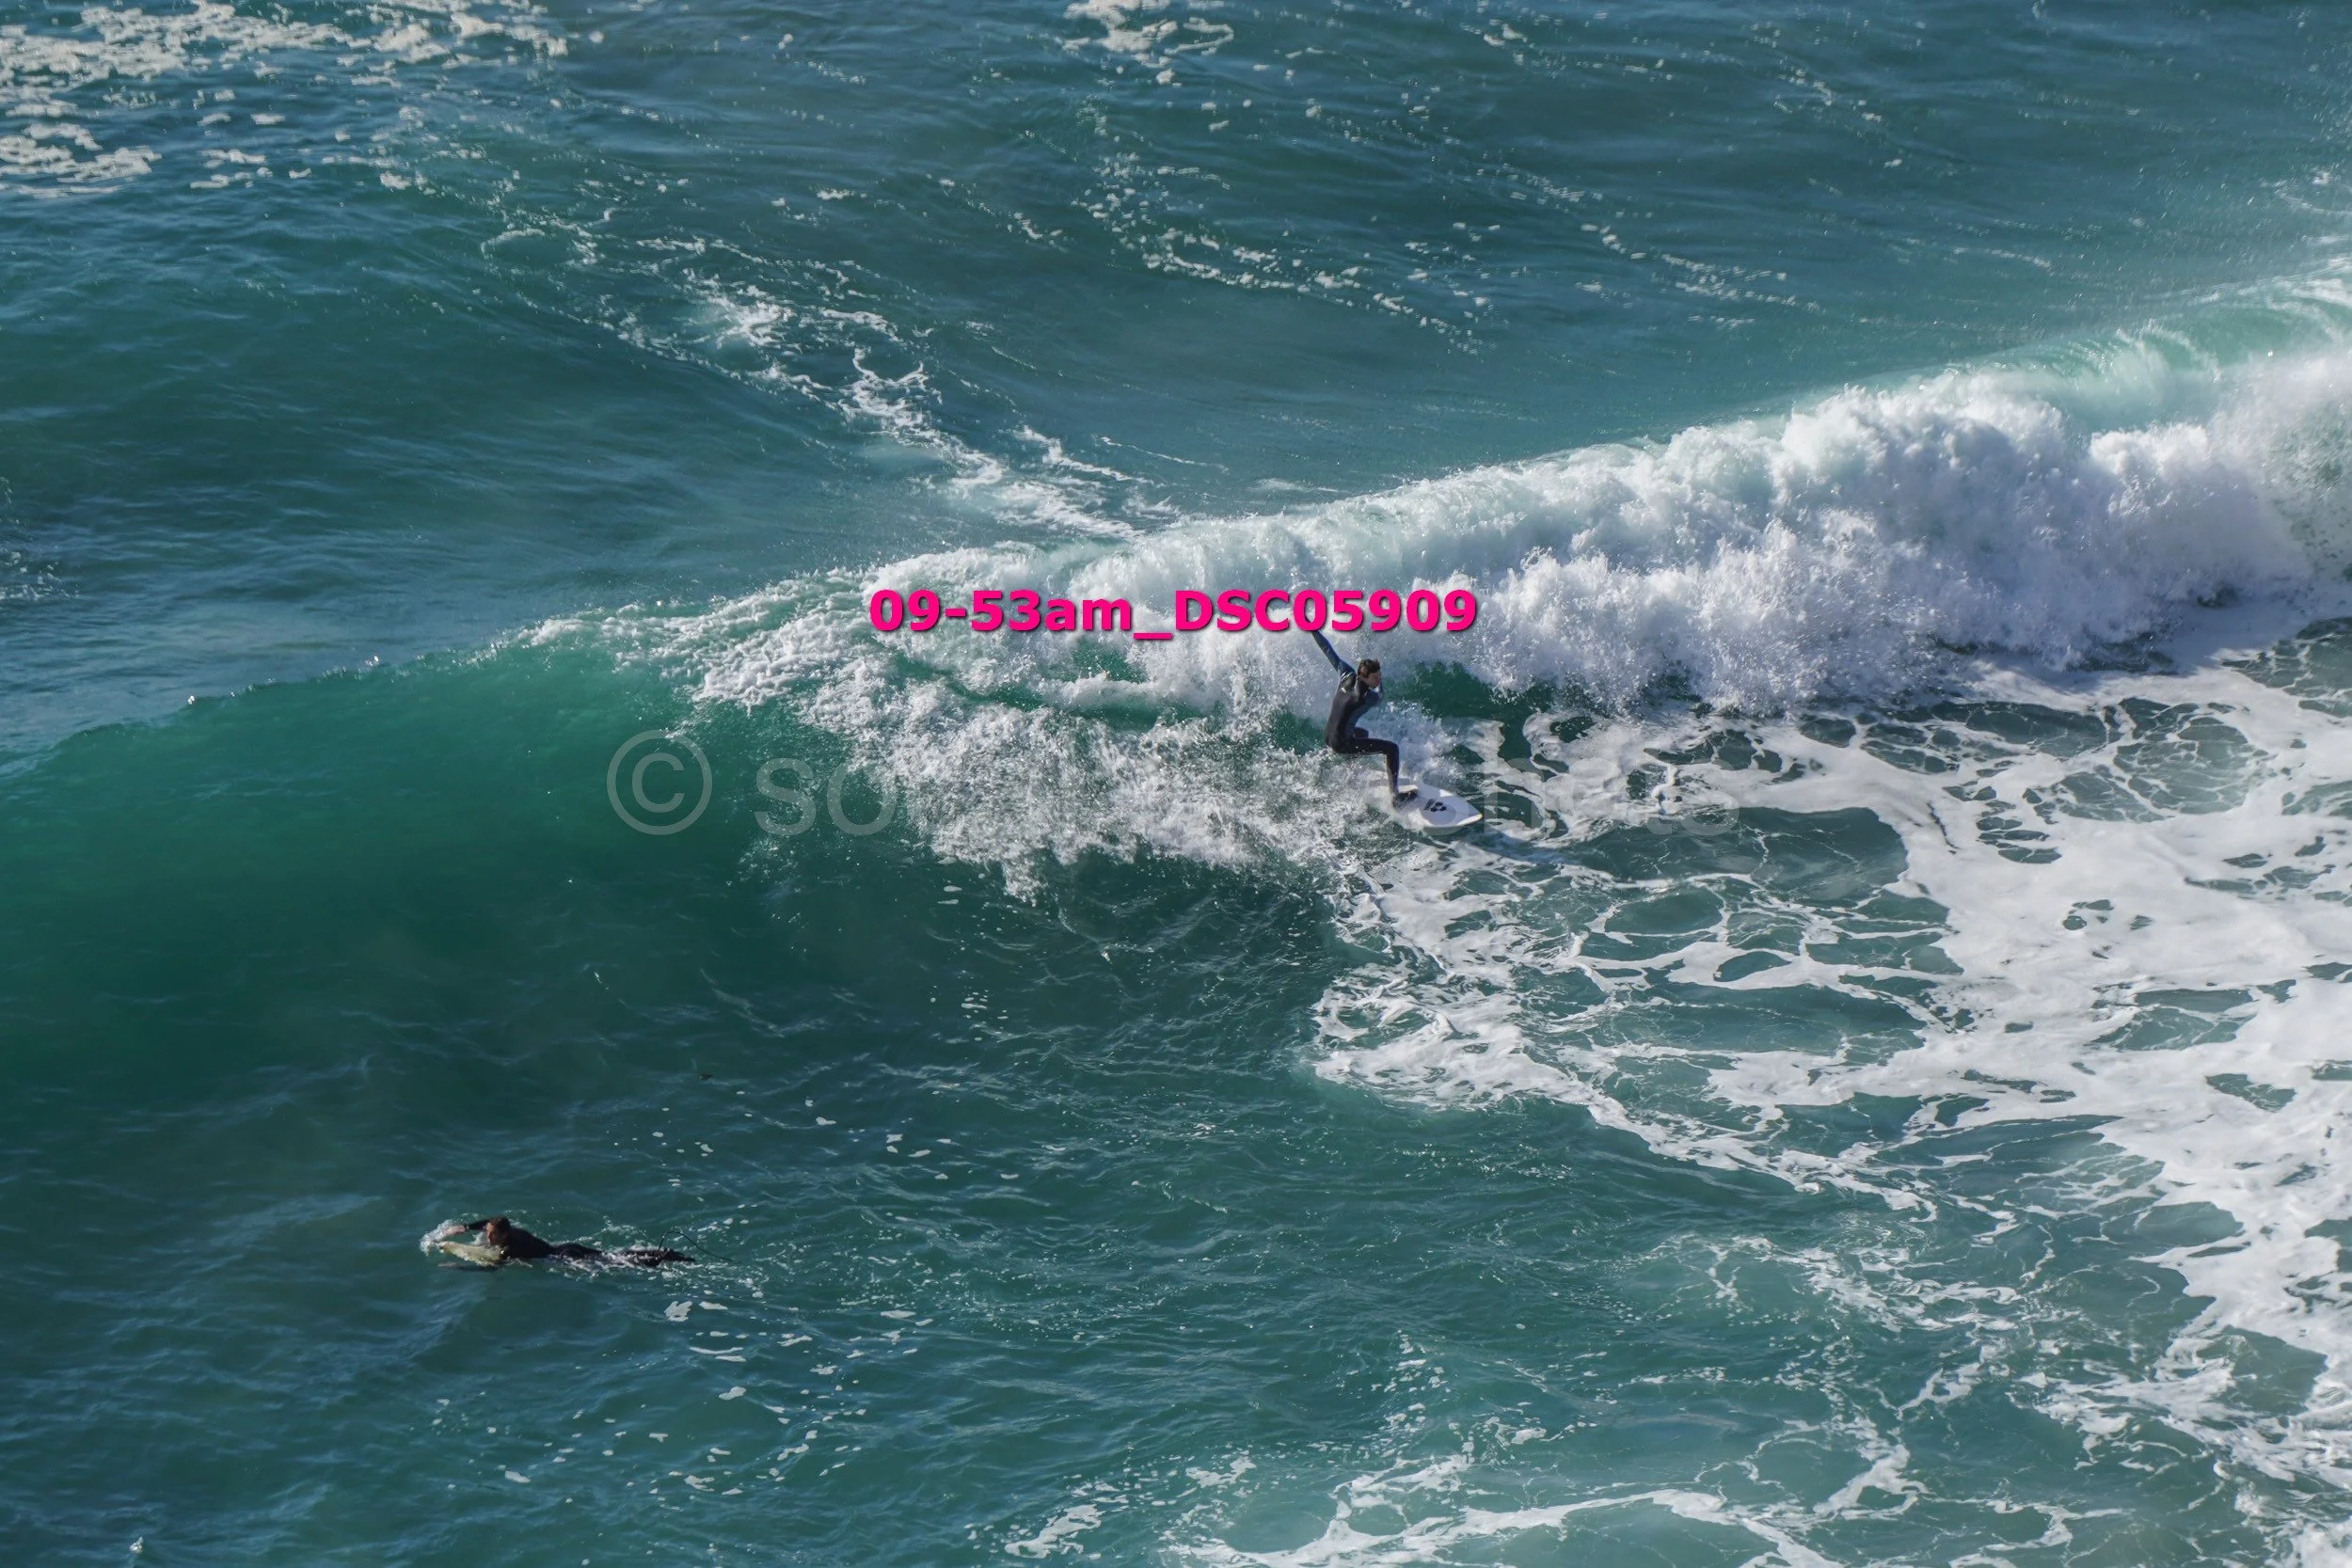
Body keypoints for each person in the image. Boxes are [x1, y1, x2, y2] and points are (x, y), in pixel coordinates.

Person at [1309, 626, 1415, 804]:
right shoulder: (1365, 698)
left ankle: (1350, 771)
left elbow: (1327, 649)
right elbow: (1380, 696)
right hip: (1342, 744)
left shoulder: (1346, 674)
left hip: (1328, 737)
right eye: (1375, 678)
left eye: (1379, 676)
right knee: (1392, 749)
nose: (1378, 680)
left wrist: (1313, 629)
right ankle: (1395, 796)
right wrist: (1381, 684)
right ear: (1364, 677)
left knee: (1362, 733)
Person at [451, 1215, 692, 1269]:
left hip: (564, 1257)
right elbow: (488, 1222)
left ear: (503, 1235)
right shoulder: (514, 1231)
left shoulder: (510, 1249)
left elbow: (492, 1268)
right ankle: (662, 1254)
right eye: (488, 1233)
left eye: (492, 1235)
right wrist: (466, 1227)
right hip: (567, 1246)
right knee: (611, 1255)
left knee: (615, 1262)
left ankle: (658, 1259)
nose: (488, 1237)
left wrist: (460, 1266)